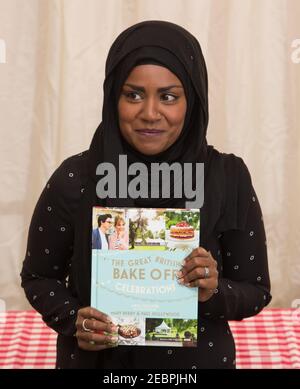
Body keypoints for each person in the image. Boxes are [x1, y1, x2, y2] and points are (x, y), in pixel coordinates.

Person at [21, 20, 271, 369]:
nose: (150, 114)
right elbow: (39, 276)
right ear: (113, 98)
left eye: (168, 96)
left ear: (193, 100)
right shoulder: (76, 177)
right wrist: (72, 318)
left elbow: (255, 291)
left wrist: (213, 291)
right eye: (133, 94)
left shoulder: (228, 177)